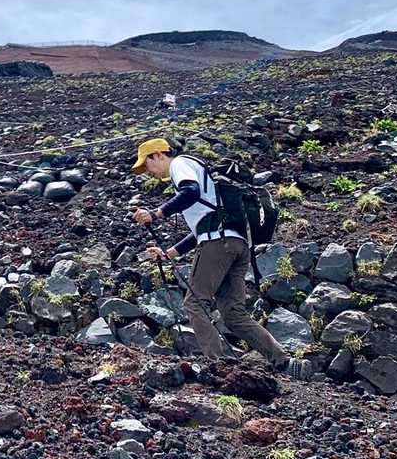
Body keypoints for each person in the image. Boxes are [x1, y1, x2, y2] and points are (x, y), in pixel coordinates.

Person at [129, 137, 309, 377]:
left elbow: (190, 192)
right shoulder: (200, 172)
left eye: (147, 164)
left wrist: (156, 213)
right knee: (233, 314)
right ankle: (284, 362)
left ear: (159, 155)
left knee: (195, 303)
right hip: (236, 244)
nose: (148, 172)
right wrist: (170, 253)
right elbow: (202, 227)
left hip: (217, 243)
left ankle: (219, 365)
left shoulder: (180, 164)